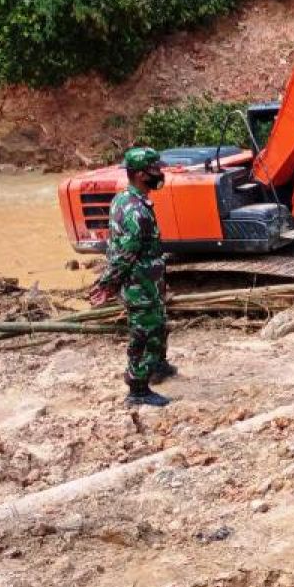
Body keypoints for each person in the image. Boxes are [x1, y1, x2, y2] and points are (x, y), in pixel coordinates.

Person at [88, 147, 176, 407]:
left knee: (158, 324)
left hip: (149, 281)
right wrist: (106, 284)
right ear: (139, 174)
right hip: (139, 285)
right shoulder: (135, 211)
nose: (159, 174)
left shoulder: (125, 198)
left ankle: (158, 366)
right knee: (144, 332)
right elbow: (124, 254)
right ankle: (138, 389)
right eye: (154, 170)